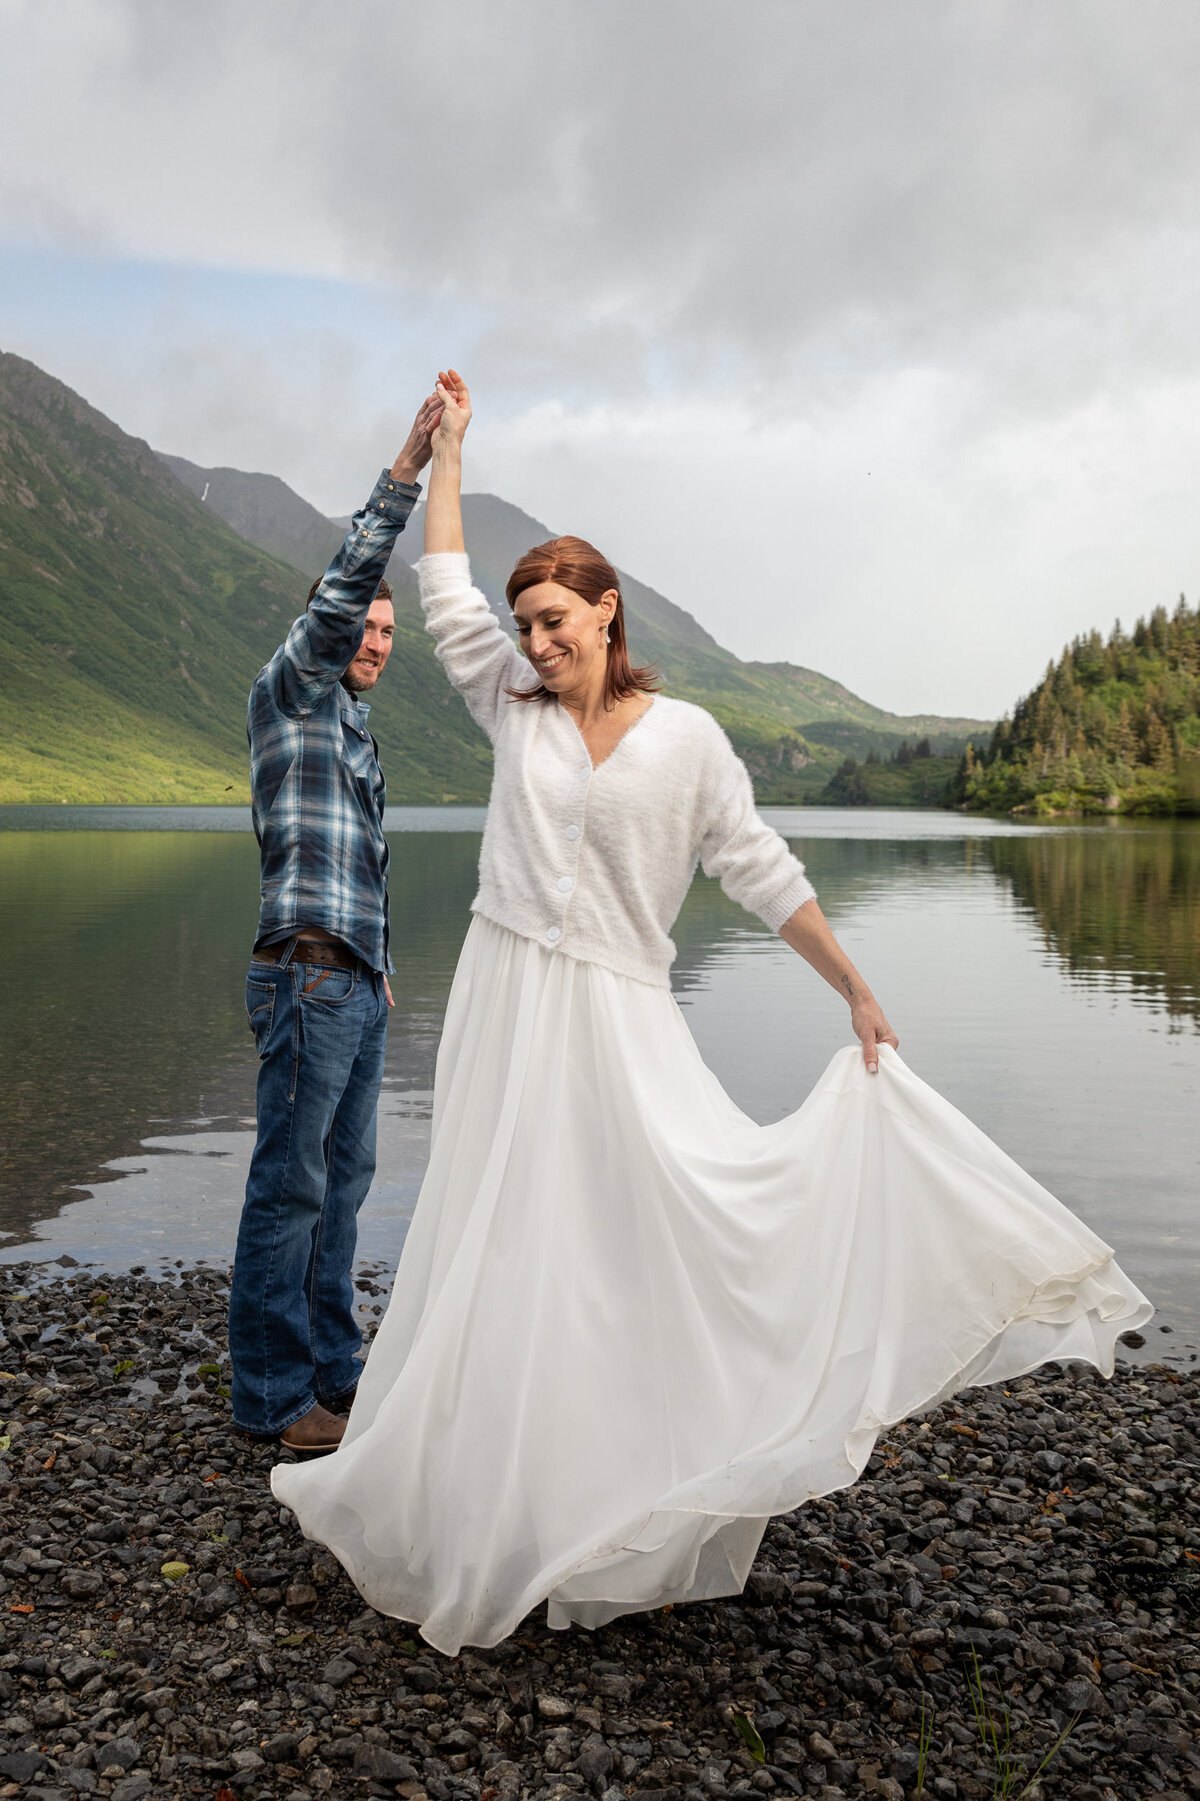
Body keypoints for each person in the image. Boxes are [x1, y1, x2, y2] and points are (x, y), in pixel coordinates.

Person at [273, 371, 1151, 1651]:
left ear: (607, 610)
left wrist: (852, 982)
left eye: (558, 618)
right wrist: (445, 452)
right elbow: (447, 579)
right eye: (526, 624)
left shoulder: (687, 740)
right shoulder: (507, 708)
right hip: (511, 1000)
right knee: (511, 1237)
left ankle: (633, 1483)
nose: (537, 641)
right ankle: (494, 1491)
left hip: (624, 1012)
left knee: (660, 1220)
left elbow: (759, 870)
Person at [229, 391, 442, 1453]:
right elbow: (343, 587)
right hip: (305, 975)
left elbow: (363, 866)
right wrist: (405, 468)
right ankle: (269, 1397)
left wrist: (385, 966)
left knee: (343, 1181)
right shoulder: (294, 691)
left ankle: (335, 1370)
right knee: (291, 1183)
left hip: (355, 980)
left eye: (390, 631)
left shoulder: (354, 729)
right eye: (364, 621)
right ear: (326, 626)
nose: (374, 639)